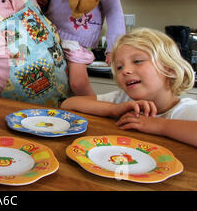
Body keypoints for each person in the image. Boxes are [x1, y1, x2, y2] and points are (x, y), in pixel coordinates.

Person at [61, 27, 197, 147]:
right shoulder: (123, 100)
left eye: (137, 61)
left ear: (170, 69)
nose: (125, 71)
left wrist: (160, 125)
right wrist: (113, 110)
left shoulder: (186, 110)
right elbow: (68, 104)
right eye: (119, 67)